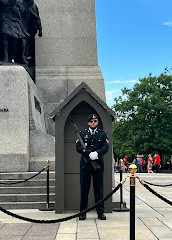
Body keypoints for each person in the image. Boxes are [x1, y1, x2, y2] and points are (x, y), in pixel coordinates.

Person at [76, 114, 109, 220]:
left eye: (95, 121)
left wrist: (97, 153)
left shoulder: (102, 134)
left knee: (98, 189)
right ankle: (83, 212)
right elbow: (78, 147)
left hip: (97, 165)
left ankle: (100, 212)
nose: (93, 122)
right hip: (85, 165)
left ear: (97, 122)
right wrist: (88, 153)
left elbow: (106, 147)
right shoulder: (82, 134)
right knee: (84, 189)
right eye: (91, 121)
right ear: (88, 123)